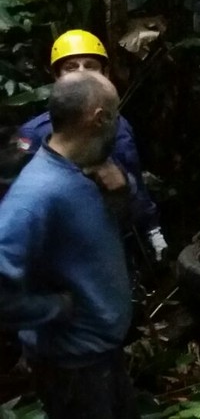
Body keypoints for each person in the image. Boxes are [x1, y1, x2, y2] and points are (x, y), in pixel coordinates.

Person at [0, 71, 138, 419]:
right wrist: (51, 309)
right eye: (116, 113)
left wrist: (124, 191)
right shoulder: (38, 192)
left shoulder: (84, 171)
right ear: (100, 118)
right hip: (74, 369)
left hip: (102, 357)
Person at [16, 30, 167, 262]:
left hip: (109, 240)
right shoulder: (35, 134)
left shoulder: (118, 126)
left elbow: (133, 178)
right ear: (57, 76)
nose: (82, 74)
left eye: (90, 65)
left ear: (105, 73)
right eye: (71, 67)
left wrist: (152, 231)